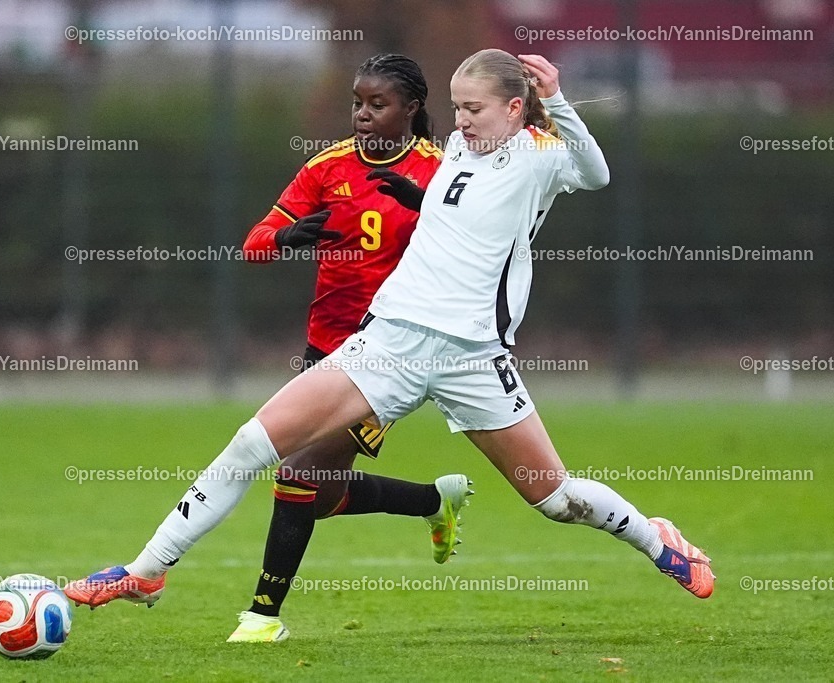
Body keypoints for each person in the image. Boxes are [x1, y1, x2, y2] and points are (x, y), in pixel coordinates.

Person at [65, 49, 714, 641]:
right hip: (392, 340)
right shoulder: (456, 149)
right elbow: (449, 212)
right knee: (254, 443)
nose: (460, 121)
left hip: (472, 356)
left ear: (515, 109)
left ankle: (657, 539)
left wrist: (561, 101)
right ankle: (146, 570)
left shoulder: (539, 154)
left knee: (556, 500)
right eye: (455, 107)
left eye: (475, 108)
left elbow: (596, 173)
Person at [67, 55, 473, 643]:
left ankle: (261, 616)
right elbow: (254, 243)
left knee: (295, 474)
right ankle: (434, 501)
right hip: (323, 351)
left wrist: (428, 209)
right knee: (323, 493)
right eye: (357, 102)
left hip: (390, 357)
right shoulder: (327, 167)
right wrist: (286, 236)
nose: (362, 114)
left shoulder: (441, 172)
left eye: (377, 104)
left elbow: (475, 249)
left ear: (411, 109)